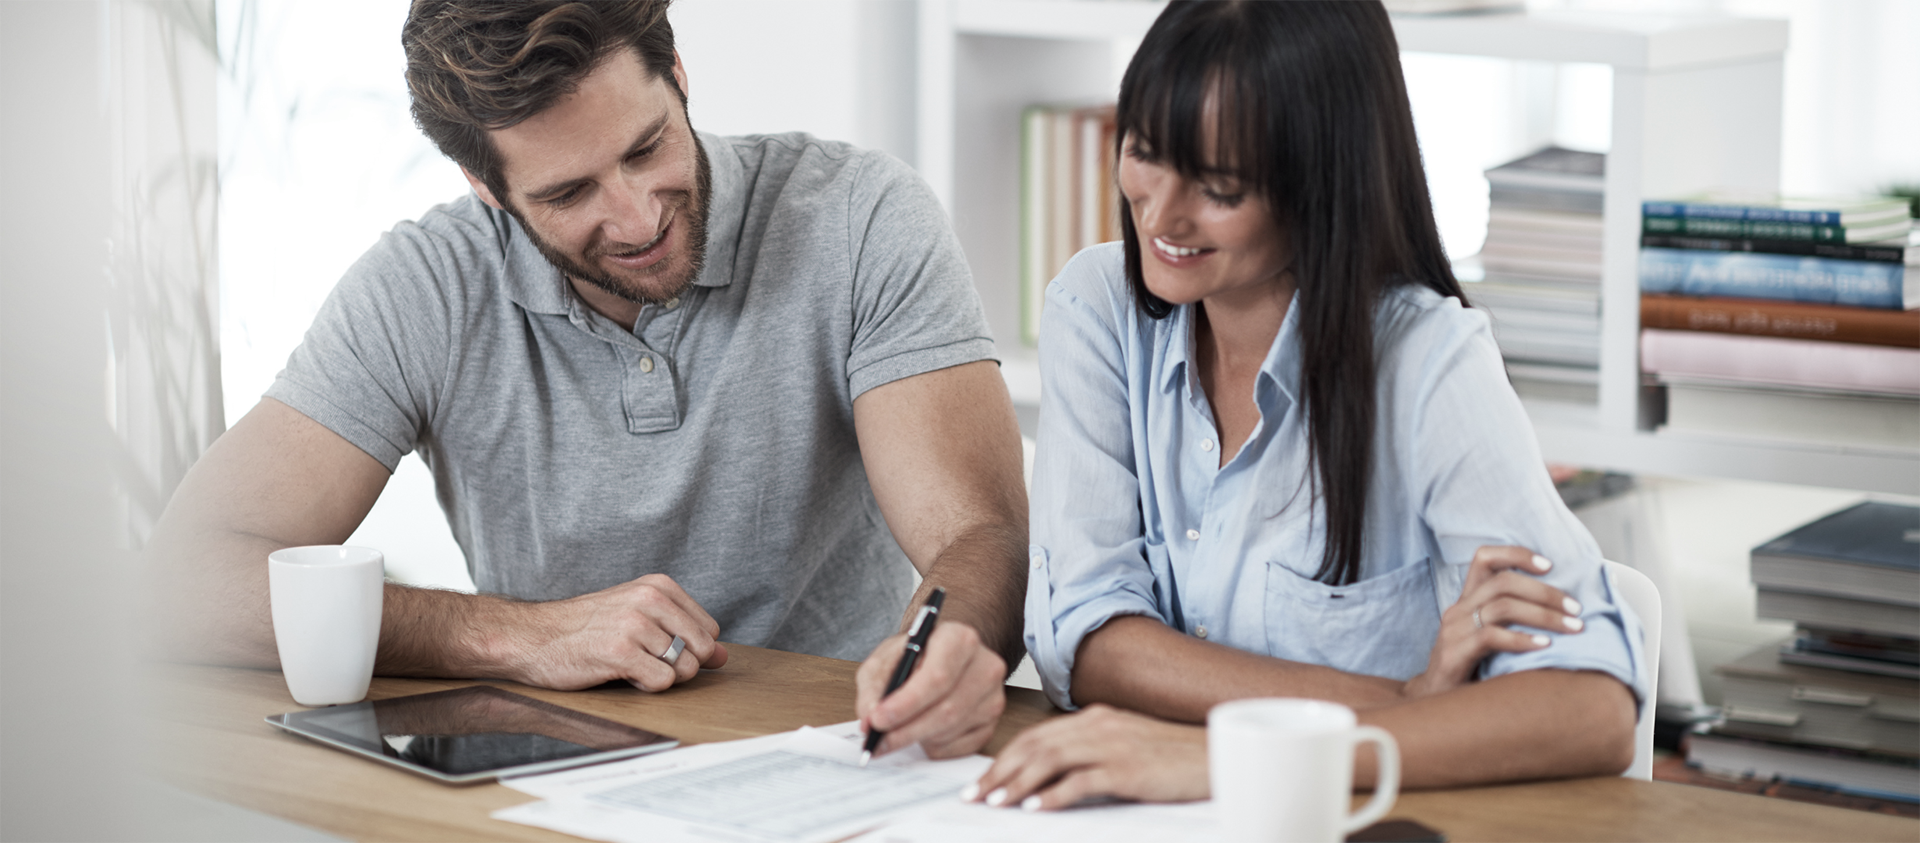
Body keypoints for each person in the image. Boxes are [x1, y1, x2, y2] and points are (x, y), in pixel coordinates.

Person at [144, 0, 1025, 761]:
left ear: (677, 74)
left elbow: (978, 534)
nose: (638, 216)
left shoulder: (859, 218)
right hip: (526, 790)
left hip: (833, 761)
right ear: (487, 187)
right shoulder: (426, 288)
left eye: (647, 148)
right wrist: (518, 634)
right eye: (570, 194)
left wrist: (946, 649)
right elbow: (183, 580)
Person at [967, 0, 1647, 810]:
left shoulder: (1429, 363)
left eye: (1219, 186)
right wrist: (1401, 698)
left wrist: (1229, 756)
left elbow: (1593, 709)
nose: (1162, 212)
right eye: (1146, 151)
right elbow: (1085, 639)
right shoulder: (1097, 309)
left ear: (1323, 182)